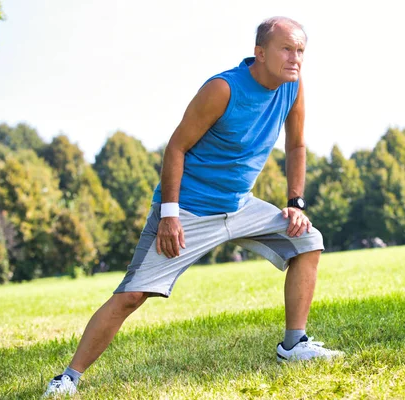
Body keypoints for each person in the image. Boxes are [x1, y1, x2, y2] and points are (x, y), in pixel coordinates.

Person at [44, 16, 343, 397]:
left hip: (239, 206)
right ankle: (69, 377)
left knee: (308, 241)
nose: (295, 58)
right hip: (188, 209)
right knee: (132, 295)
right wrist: (169, 214)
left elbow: (296, 144)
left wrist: (295, 203)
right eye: (287, 49)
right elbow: (176, 147)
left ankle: (294, 344)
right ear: (260, 53)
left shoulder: (292, 87)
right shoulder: (222, 89)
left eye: (300, 50)